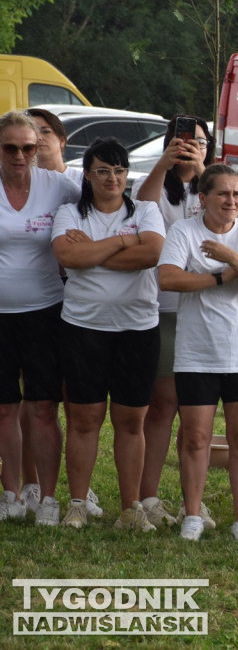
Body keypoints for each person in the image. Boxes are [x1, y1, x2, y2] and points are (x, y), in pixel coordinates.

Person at [51, 138, 165, 531]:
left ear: (127, 174)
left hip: (138, 329)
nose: (112, 178)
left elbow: (150, 255)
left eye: (119, 170)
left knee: (131, 420)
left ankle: (131, 509)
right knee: (84, 418)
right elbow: (68, 257)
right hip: (83, 327)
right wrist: (121, 241)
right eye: (102, 170)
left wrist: (95, 254)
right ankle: (78, 504)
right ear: (87, 174)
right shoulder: (69, 212)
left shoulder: (147, 210)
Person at [157, 164, 238, 543]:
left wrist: (234, 257)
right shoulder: (183, 232)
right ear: (202, 199)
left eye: (237, 194)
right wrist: (223, 276)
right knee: (195, 438)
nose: (232, 201)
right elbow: (169, 278)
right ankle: (192, 514)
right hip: (196, 354)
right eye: (223, 194)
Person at [134, 115, 215, 529]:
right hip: (162, 307)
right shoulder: (158, 185)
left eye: (199, 141)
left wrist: (203, 171)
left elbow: (224, 212)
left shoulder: (213, 185)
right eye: (183, 140)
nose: (190, 146)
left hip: (204, 309)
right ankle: (147, 496)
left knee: (197, 411)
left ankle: (192, 502)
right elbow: (142, 206)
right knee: (163, 403)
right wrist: (164, 164)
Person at [0, 111, 79, 526]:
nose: (20, 155)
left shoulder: (58, 186)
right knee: (4, 408)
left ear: (38, 148)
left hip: (46, 311)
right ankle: (11, 494)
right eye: (10, 147)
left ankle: (48, 497)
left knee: (44, 406)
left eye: (28, 147)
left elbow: (100, 208)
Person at [25, 107, 85, 186]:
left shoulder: (81, 180)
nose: (38, 137)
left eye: (46, 131)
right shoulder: (20, 181)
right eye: (31, 132)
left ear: (62, 140)